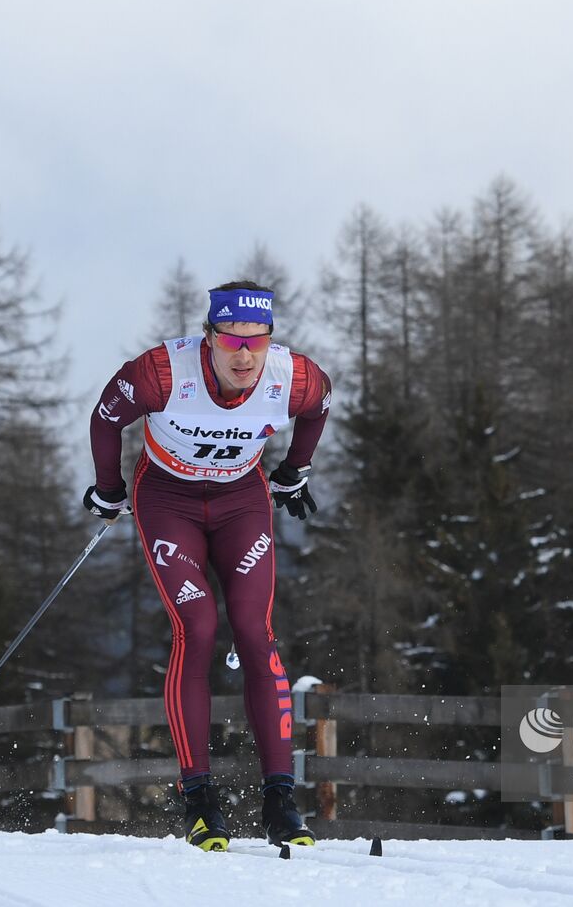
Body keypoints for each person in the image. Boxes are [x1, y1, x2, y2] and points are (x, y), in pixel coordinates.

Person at [84, 280, 331, 851]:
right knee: (195, 628)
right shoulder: (161, 373)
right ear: (210, 336)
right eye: (231, 340)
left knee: (253, 629)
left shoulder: (292, 376)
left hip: (241, 501)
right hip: (168, 503)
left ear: (269, 339)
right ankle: (200, 799)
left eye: (256, 340)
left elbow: (318, 409)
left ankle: (280, 800)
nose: (244, 355)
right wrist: (107, 486)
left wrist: (296, 469)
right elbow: (105, 418)